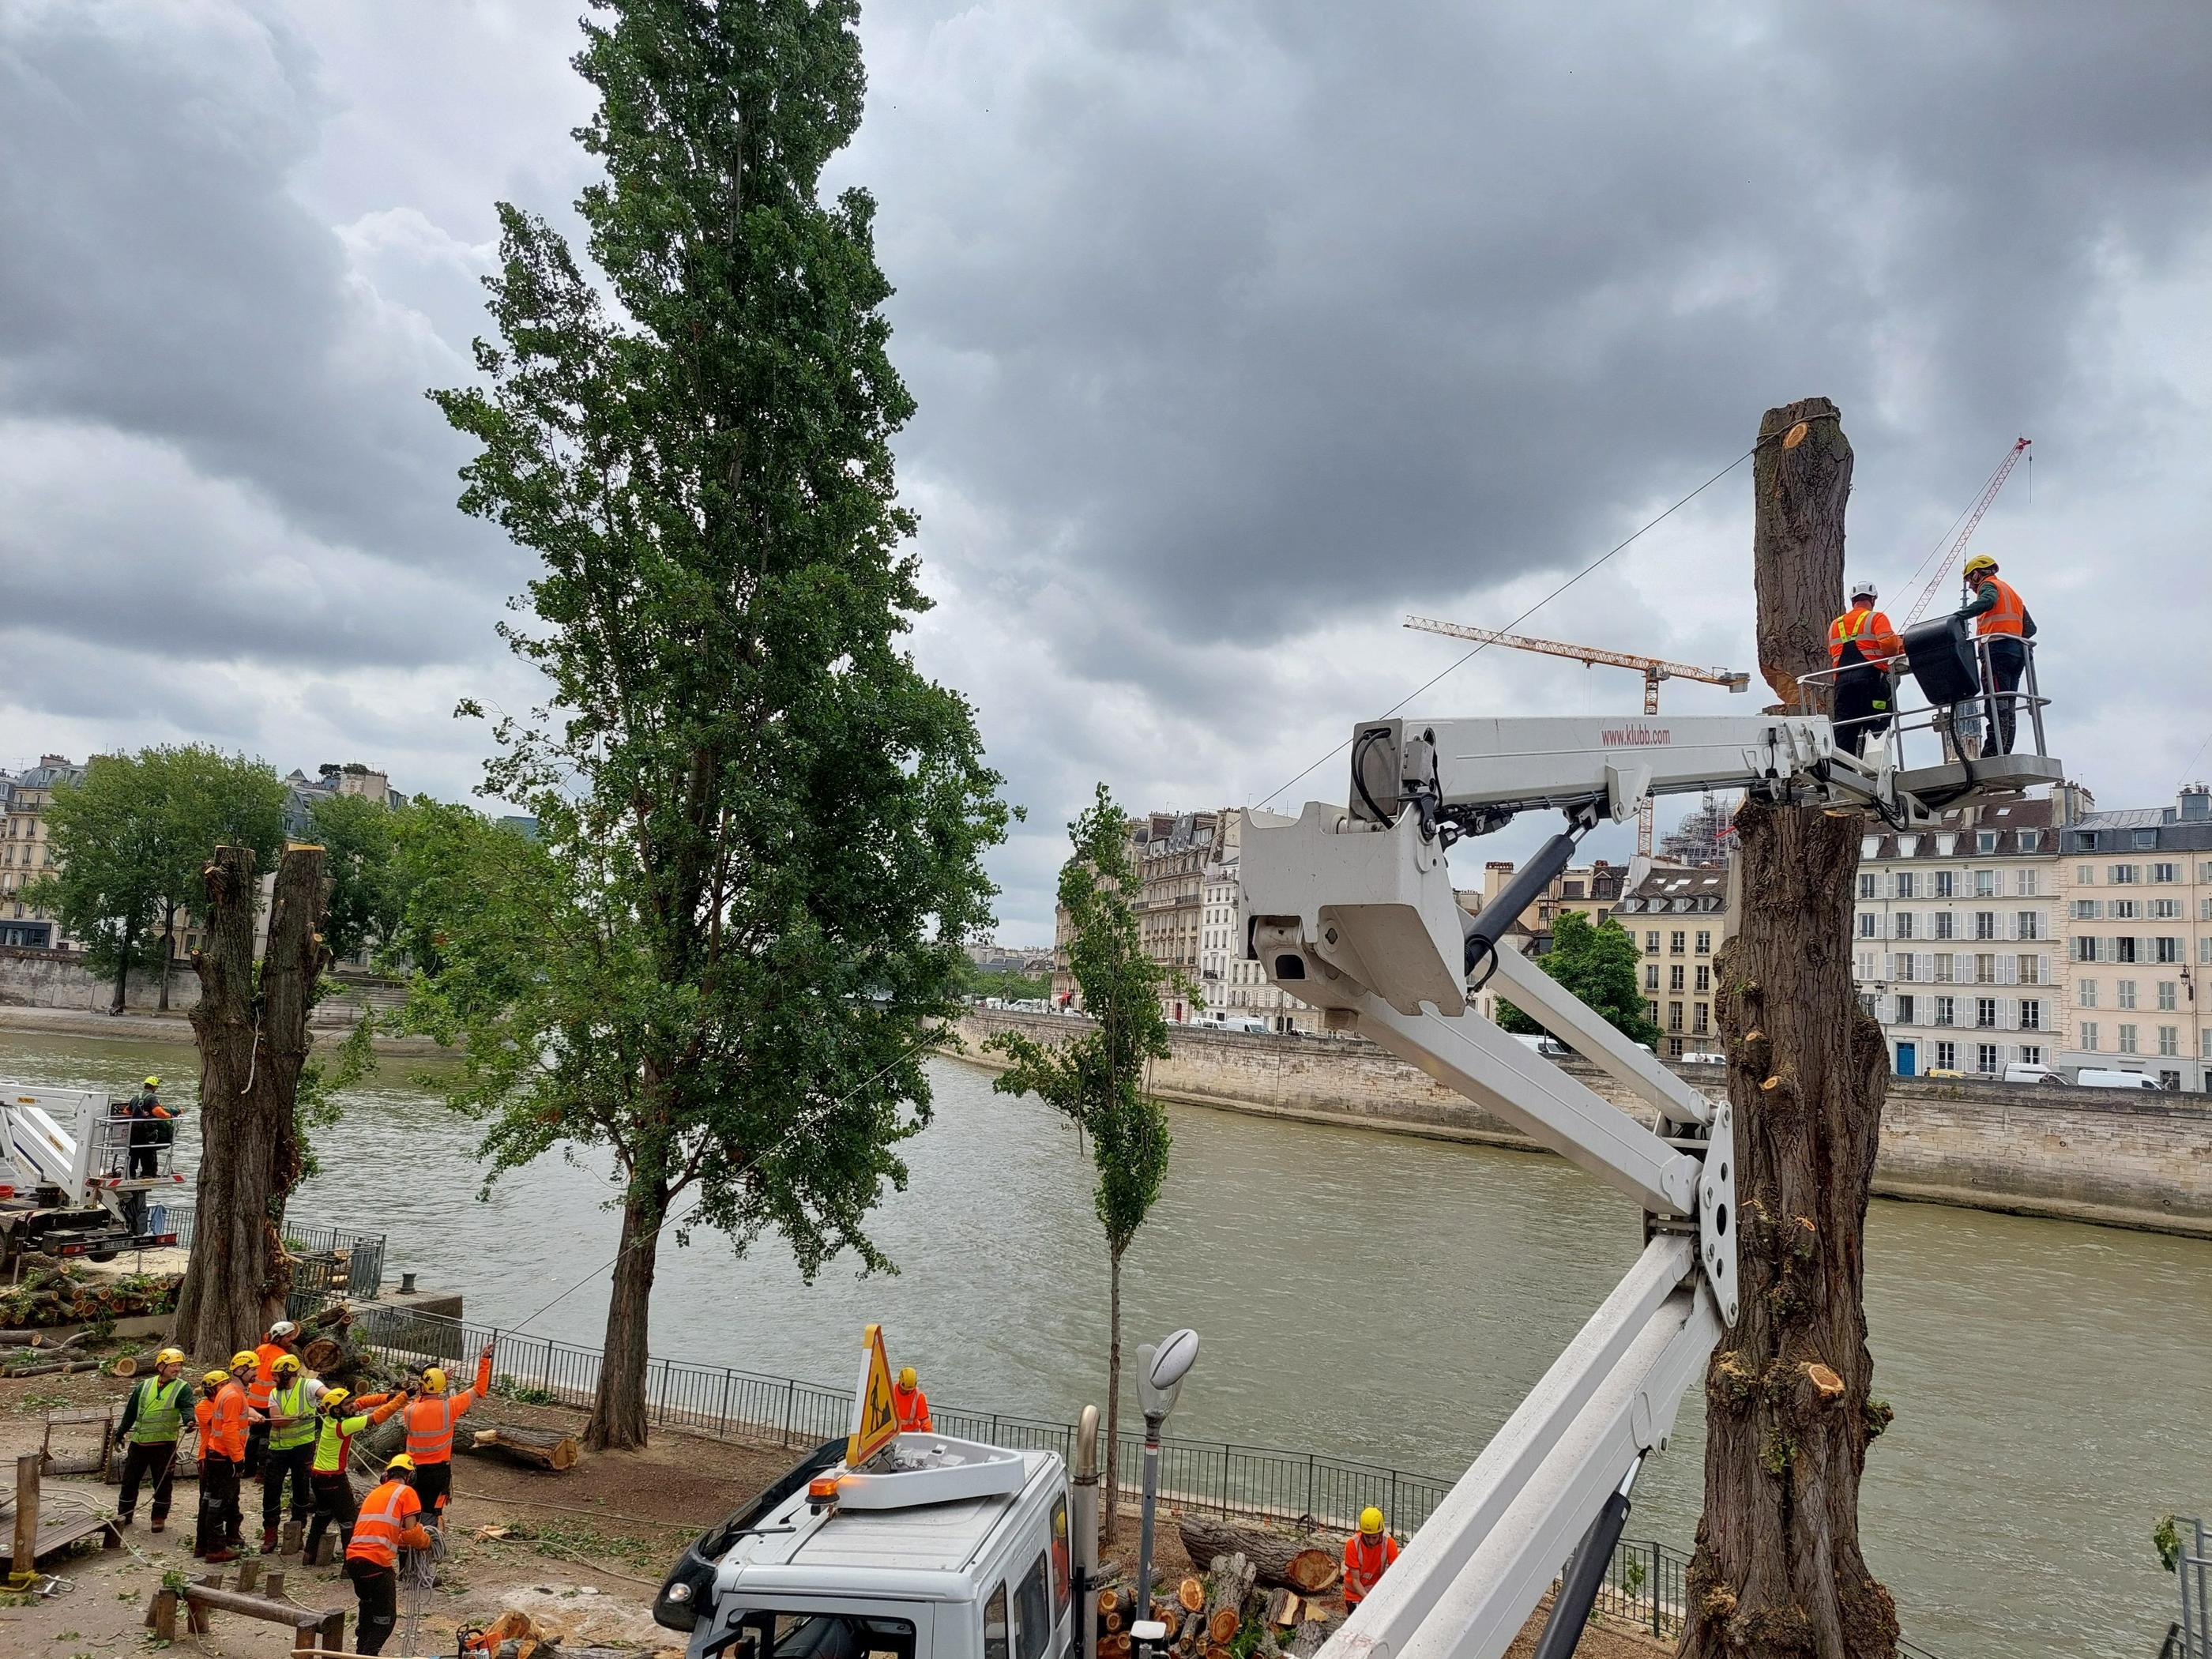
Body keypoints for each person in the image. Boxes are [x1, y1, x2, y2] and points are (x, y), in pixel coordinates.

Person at [304, 1385, 406, 1563]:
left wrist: (387, 1397)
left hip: (318, 1476)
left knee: (323, 1514)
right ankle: (351, 1561)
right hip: (334, 1478)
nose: (353, 1405)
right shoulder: (344, 1424)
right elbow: (378, 1417)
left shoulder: (335, 1415)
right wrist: (402, 1398)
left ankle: (309, 1554)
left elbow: (362, 1402)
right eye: (348, 1404)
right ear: (337, 1409)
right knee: (348, 1520)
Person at [347, 1454, 434, 1657]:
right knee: (385, 1619)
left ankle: (359, 1652)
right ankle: (369, 1654)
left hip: (354, 1561)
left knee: (368, 1611)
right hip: (377, 1564)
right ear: (410, 1476)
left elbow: (391, 1533)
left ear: (387, 1474)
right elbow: (412, 1534)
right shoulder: (407, 1492)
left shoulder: (375, 1493)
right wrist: (427, 1542)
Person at [401, 1343, 494, 1525]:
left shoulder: (410, 1411)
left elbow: (422, 1399)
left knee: (412, 1509)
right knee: (433, 1511)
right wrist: (485, 1359)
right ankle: (430, 1544)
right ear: (442, 1387)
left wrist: (438, 1380)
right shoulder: (449, 1408)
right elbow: (479, 1389)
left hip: (413, 1469)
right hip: (439, 1471)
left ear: (422, 1387)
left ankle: (409, 1542)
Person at [1954, 552, 2037, 754]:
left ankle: (1993, 752)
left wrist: (1958, 616)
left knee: (1995, 702)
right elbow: (2031, 628)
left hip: (1997, 653)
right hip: (2018, 653)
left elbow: (1988, 601)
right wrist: (2014, 637)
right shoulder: (2012, 593)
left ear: (1976, 575)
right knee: (2008, 703)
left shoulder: (1988, 586)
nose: (1972, 587)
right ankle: (2005, 749)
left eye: (1969, 581)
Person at [114, 1347, 194, 1533]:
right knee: (130, 1481)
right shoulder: (144, 1386)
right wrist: (121, 1432)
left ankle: (158, 1517)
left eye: (179, 1365)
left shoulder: (183, 1388)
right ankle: (124, 1514)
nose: (177, 1369)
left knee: (163, 1483)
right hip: (139, 1444)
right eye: (173, 1365)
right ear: (161, 1367)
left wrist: (190, 1420)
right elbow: (131, 1411)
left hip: (164, 1446)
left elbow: (187, 1407)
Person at [195, 1352, 264, 1562]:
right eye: (253, 1370)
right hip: (223, 1456)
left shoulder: (230, 1392)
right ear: (241, 1370)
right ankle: (215, 1549)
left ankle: (204, 1544)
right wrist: (238, 1459)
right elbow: (229, 1430)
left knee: (210, 1501)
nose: (256, 1374)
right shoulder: (233, 1395)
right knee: (219, 1502)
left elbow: (232, 1422)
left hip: (217, 1454)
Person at [1827, 581, 1904, 760]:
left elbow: (1833, 652)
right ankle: (1875, 770)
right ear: (1873, 600)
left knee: (1845, 730)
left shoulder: (1834, 625)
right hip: (1870, 682)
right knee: (1877, 726)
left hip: (1842, 685)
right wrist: (1898, 647)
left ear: (1853, 601)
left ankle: (1841, 770)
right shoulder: (1876, 618)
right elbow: (1889, 645)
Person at [260, 1352, 319, 1551]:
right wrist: (296, 1416)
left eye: (276, 1375)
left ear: (287, 1373)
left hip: (302, 1447)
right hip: (277, 1449)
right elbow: (277, 1421)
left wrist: (333, 1402)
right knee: (271, 1490)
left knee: (301, 1489)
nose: (272, 1378)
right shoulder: (274, 1393)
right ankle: (270, 1534)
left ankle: (296, 1533)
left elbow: (325, 1393)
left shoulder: (308, 1386)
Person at [245, 1319, 302, 1479]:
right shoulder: (284, 1358)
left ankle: (248, 1468)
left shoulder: (260, 1349)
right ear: (278, 1338)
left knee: (254, 1436)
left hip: (253, 1401)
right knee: (266, 1438)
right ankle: (262, 1472)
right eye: (288, 1337)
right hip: (269, 1402)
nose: (291, 1339)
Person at [1342, 1507, 1400, 1612]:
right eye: (1367, 1537)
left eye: (1374, 1537)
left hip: (1376, 1591)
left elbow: (1395, 1574)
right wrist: (1369, 1600)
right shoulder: (1352, 1544)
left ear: (1381, 1532)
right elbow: (1355, 1580)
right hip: (1355, 1594)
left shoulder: (1389, 1544)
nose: (1371, 1542)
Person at [122, 1077, 175, 1180]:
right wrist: (169, 1116)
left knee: (134, 1151)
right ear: (154, 1087)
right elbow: (157, 1111)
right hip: (147, 1129)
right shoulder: (152, 1098)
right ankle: (147, 1173)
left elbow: (126, 1111)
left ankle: (130, 1173)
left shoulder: (136, 1097)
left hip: (134, 1128)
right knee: (148, 1150)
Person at [893, 1366, 932, 1432]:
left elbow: (925, 1422)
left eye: (911, 1391)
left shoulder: (919, 1397)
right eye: (905, 1390)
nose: (908, 1393)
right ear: (900, 1382)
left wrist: (929, 1436)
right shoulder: (890, 1392)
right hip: (894, 1432)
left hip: (911, 1433)